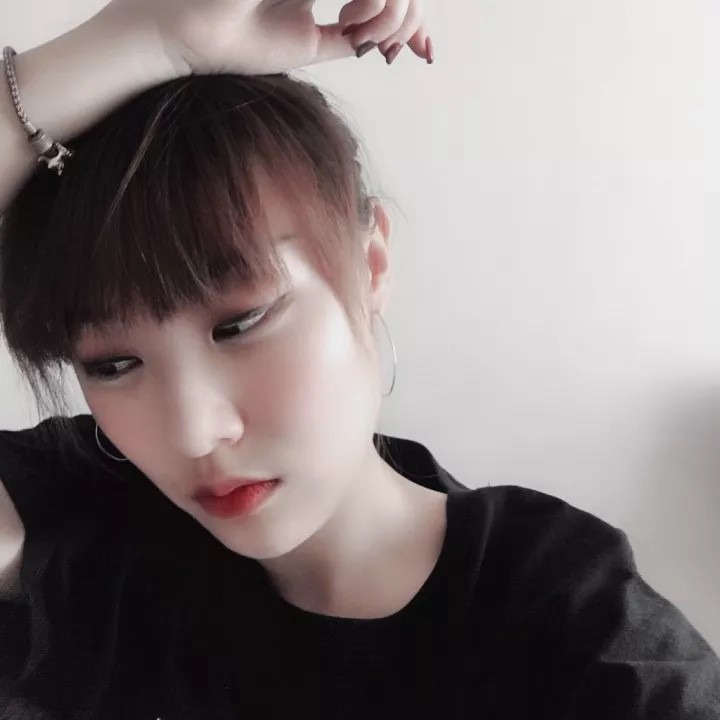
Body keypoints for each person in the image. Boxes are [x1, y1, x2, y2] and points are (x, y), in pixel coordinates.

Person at [0, 1, 718, 718]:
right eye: (113, 365)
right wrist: (149, 38)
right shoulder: (85, 520)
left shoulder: (568, 621)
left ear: (370, 262)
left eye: (240, 324)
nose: (193, 432)